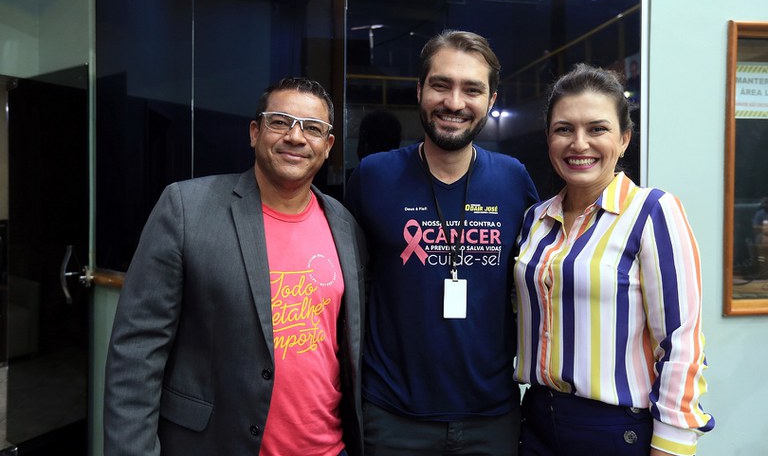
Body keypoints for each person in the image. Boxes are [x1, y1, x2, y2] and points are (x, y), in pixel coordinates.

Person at [104, 77, 366, 456]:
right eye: (280, 122)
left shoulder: (344, 225)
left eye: (312, 128)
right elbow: (136, 352)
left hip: (328, 448)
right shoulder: (186, 209)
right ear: (255, 132)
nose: (295, 137)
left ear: (327, 146)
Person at [346, 29, 539, 455]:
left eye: (472, 89)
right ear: (420, 90)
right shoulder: (373, 178)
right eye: (441, 85)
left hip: (492, 417)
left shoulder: (513, 179)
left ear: (491, 100)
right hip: (393, 416)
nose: (454, 102)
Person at [513, 63, 714, 456]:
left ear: (624, 139)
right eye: (564, 129)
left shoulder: (652, 212)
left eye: (597, 129)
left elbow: (681, 343)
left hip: (615, 429)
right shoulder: (536, 218)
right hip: (536, 419)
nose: (579, 143)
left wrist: (672, 445)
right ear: (549, 138)